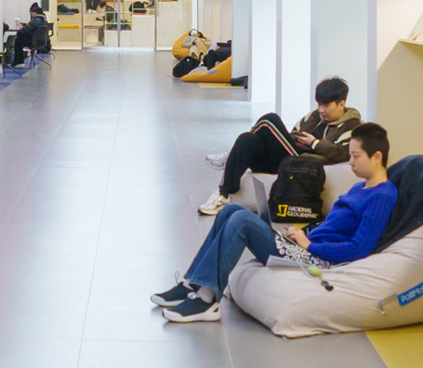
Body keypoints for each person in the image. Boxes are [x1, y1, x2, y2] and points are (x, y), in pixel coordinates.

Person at [155, 124, 394, 323]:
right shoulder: (359, 187)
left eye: (355, 156)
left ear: (377, 157)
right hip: (304, 245)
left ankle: (207, 299)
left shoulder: (381, 196)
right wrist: (302, 233)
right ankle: (191, 283)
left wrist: (310, 245)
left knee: (241, 220)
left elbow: (359, 248)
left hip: (316, 258)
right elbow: (333, 227)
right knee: (230, 210)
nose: (350, 162)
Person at [195, 77, 361, 216]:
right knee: (247, 139)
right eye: (319, 104)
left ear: (341, 104)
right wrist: (301, 136)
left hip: (301, 165)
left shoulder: (352, 126)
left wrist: (314, 143)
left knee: (271, 119)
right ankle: (223, 194)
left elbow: (341, 153)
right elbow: (294, 133)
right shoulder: (314, 117)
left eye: (326, 106)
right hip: (288, 156)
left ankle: (229, 157)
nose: (321, 110)